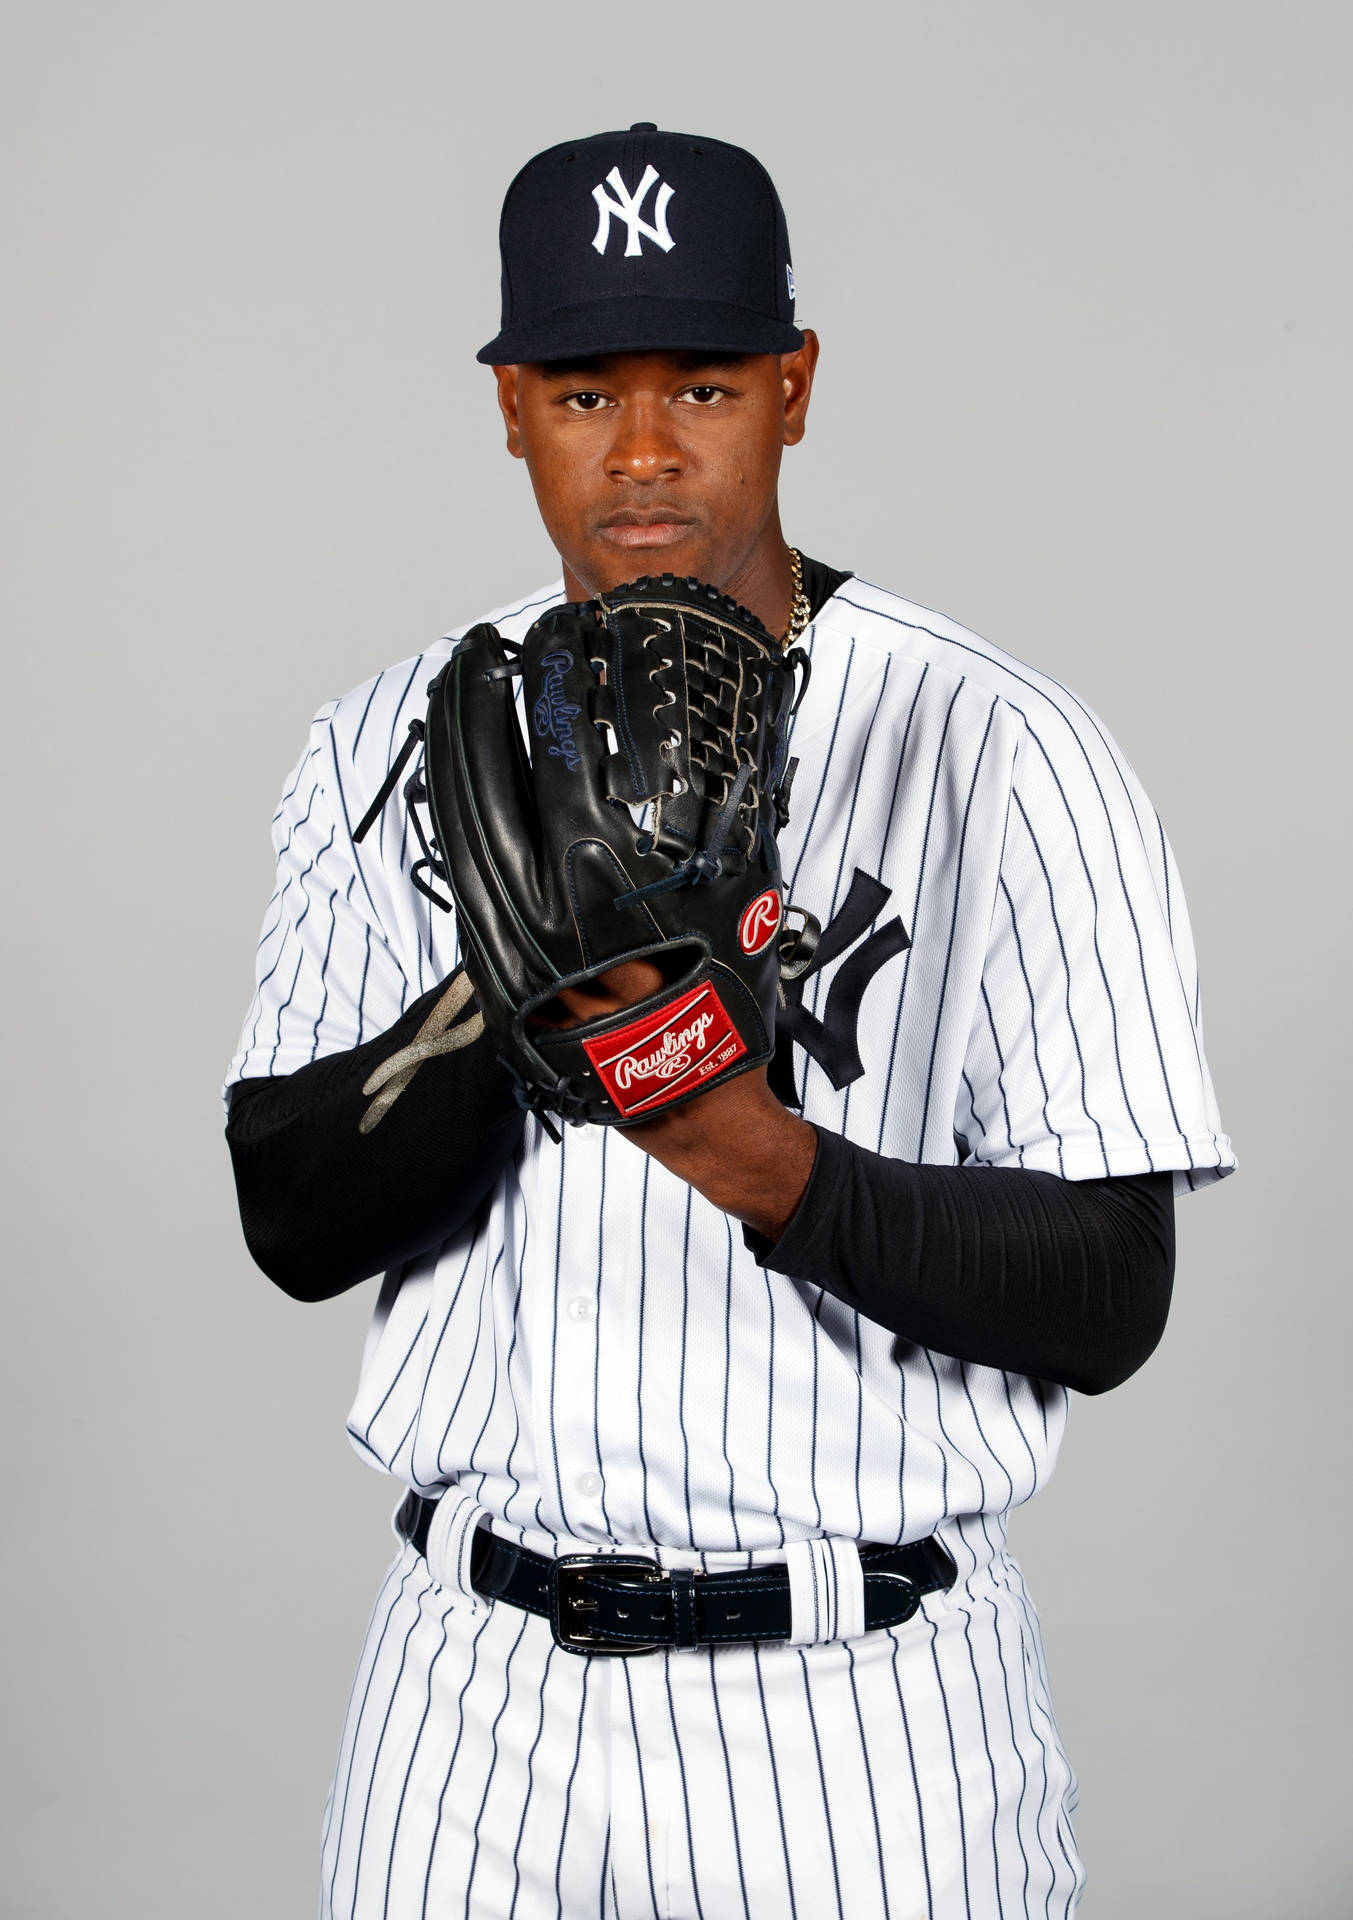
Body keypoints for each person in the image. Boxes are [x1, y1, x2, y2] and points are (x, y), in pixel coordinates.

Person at [225, 125, 1234, 1920]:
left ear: (791, 386)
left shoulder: (1003, 747)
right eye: (580, 389)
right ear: (510, 406)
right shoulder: (390, 740)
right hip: (471, 1702)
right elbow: (294, 1218)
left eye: (698, 381)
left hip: (861, 1706)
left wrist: (744, 1147)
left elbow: (1109, 1289)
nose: (640, 450)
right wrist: (527, 987)